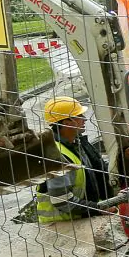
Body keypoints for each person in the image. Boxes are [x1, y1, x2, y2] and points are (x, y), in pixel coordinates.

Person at [36, 96, 111, 227]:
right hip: (62, 226)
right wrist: (99, 208)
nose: (84, 119)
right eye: (79, 116)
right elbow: (62, 201)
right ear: (66, 123)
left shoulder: (77, 144)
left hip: (79, 218)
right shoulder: (55, 155)